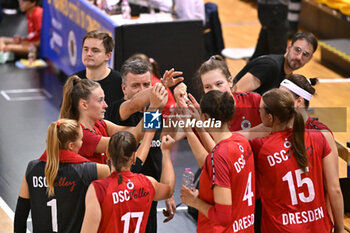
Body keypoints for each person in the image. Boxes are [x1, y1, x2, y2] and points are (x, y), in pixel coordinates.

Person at [249, 88, 344, 232]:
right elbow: (335, 190)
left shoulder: (260, 147)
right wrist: (340, 229)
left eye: (260, 110)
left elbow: (223, 145)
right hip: (318, 227)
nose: (258, 112)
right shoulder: (318, 138)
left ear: (269, 117)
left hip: (281, 229)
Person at [105, 58, 182, 232]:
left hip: (148, 195)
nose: (142, 90)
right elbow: (135, 103)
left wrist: (165, 192)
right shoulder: (117, 110)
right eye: (135, 85)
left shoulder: (154, 110)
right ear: (124, 88)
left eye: (146, 84)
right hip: (122, 196)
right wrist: (160, 87)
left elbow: (158, 151)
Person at [13, 119, 110, 233]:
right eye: (81, 139)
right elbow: (123, 173)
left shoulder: (32, 168)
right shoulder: (87, 170)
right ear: (71, 145)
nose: (82, 143)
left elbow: (20, 215)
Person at [180, 90, 255, 232]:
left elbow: (222, 217)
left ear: (205, 116)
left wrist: (194, 202)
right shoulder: (240, 141)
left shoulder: (220, 156)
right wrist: (193, 128)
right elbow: (213, 161)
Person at [80, 131, 175, 233]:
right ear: (134, 157)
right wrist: (166, 152)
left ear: (107, 152)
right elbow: (169, 188)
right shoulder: (148, 183)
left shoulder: (97, 189)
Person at [59, 75, 165, 164]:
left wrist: (161, 88)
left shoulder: (100, 124)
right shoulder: (82, 134)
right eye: (100, 100)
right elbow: (132, 138)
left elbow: (135, 132)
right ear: (84, 105)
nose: (105, 105)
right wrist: (153, 109)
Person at [174, 55, 262, 152]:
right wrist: (178, 104)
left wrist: (228, 137)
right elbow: (167, 138)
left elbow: (272, 128)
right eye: (208, 87)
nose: (214, 90)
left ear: (230, 81)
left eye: (219, 84)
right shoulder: (203, 114)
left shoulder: (254, 100)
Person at [234, 32, 318, 95]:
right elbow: (235, 93)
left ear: (309, 59)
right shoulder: (270, 66)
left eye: (305, 54)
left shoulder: (287, 75)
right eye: (297, 50)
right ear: (289, 47)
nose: (299, 57)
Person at [74, 30, 123, 106]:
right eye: (86, 49)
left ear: (108, 56)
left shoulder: (120, 82)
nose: (89, 54)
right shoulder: (74, 81)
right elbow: (64, 114)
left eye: (95, 50)